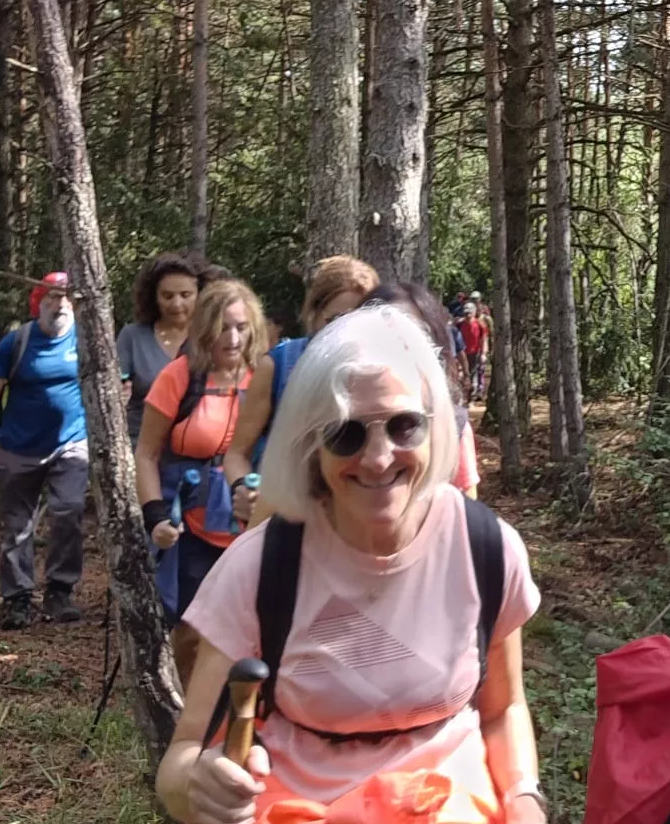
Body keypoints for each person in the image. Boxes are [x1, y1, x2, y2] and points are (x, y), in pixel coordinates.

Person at [152, 305, 558, 824]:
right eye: (347, 435)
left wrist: (523, 806)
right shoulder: (264, 566)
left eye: (404, 425)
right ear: (311, 447)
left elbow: (501, 706)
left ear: (436, 428)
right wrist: (204, 784)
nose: (379, 457)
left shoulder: (486, 548)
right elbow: (179, 763)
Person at [138, 277, 264, 677]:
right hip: (191, 530)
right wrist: (155, 516)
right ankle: (194, 723)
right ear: (204, 329)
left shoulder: (266, 377)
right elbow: (146, 454)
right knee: (193, 632)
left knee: (256, 630)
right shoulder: (180, 377)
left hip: (255, 528)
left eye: (241, 328)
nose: (231, 338)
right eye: (222, 328)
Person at [0, 272, 88, 629]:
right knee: (18, 527)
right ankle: (17, 599)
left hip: (70, 443)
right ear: (39, 301)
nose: (61, 303)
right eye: (53, 296)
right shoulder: (17, 342)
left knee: (68, 510)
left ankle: (60, 591)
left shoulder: (87, 342)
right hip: (18, 447)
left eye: (68, 297)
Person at [223, 256, 378, 516]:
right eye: (335, 319)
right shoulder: (278, 366)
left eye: (358, 318)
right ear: (314, 315)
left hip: (359, 524)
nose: (347, 330)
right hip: (286, 522)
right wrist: (245, 489)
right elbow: (236, 454)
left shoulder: (384, 371)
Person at [361, 282, 479, 493]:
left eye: (416, 336)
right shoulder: (329, 422)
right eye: (384, 335)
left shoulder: (453, 424)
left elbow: (465, 507)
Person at [117, 250, 206, 446]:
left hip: (197, 453)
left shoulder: (211, 338)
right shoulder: (132, 336)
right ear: (154, 297)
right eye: (167, 296)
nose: (177, 304)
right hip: (140, 447)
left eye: (185, 295)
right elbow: (116, 387)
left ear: (200, 295)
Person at [459, 295, 488, 405]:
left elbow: (484, 340)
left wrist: (483, 353)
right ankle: (462, 397)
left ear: (474, 312)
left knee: (473, 375)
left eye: (469, 312)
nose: (467, 315)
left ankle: (472, 397)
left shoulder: (480, 325)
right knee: (462, 375)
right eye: (466, 312)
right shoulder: (459, 324)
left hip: (475, 353)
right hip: (462, 354)